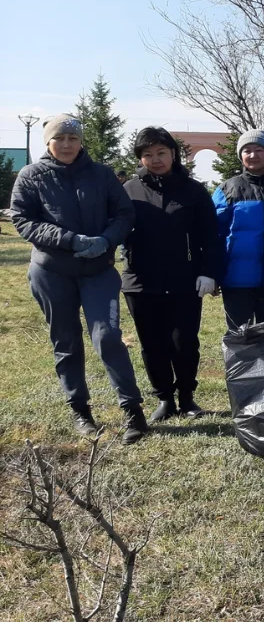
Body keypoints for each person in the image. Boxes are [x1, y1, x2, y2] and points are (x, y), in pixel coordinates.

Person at [10, 114, 148, 444]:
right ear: (48, 142)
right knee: (66, 341)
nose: (67, 144)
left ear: (81, 141)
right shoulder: (31, 176)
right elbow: (22, 219)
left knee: (108, 337)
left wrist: (106, 239)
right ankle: (80, 411)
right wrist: (69, 240)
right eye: (60, 139)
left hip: (98, 271)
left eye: (73, 138)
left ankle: (132, 410)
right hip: (51, 272)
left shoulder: (101, 174)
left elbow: (125, 213)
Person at [121, 127, 223, 422]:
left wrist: (208, 273)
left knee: (184, 343)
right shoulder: (128, 190)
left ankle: (188, 398)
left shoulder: (192, 190)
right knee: (152, 344)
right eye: (148, 155)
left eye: (161, 153)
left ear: (173, 154)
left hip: (185, 281)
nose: (155, 160)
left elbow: (210, 236)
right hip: (141, 283)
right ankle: (164, 399)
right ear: (140, 158)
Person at [213, 129, 264, 330]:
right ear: (240, 155)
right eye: (247, 150)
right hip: (236, 279)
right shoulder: (227, 189)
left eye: (259, 150)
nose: (253, 155)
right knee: (239, 337)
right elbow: (214, 235)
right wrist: (213, 272)